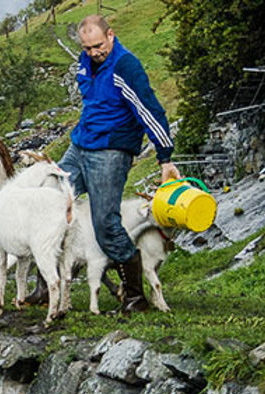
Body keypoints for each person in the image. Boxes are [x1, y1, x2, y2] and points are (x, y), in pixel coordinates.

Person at [29, 14, 181, 313]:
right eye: (87, 48)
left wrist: (165, 157)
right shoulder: (86, 63)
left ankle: (135, 297)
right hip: (80, 145)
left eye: (98, 46)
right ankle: (46, 286)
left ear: (110, 35)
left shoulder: (126, 66)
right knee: (49, 199)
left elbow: (149, 110)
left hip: (111, 151)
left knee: (105, 223)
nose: (93, 52)